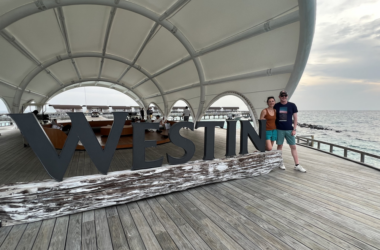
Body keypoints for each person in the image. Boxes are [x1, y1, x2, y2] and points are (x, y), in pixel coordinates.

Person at [274, 90, 306, 172]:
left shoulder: (292, 105)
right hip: (279, 129)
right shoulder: (276, 106)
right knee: (279, 146)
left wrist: (294, 129)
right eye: (282, 95)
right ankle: (280, 163)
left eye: (285, 95)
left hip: (289, 130)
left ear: (287, 96)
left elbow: (295, 118)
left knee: (293, 146)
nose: (284, 97)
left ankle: (297, 165)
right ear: (279, 97)